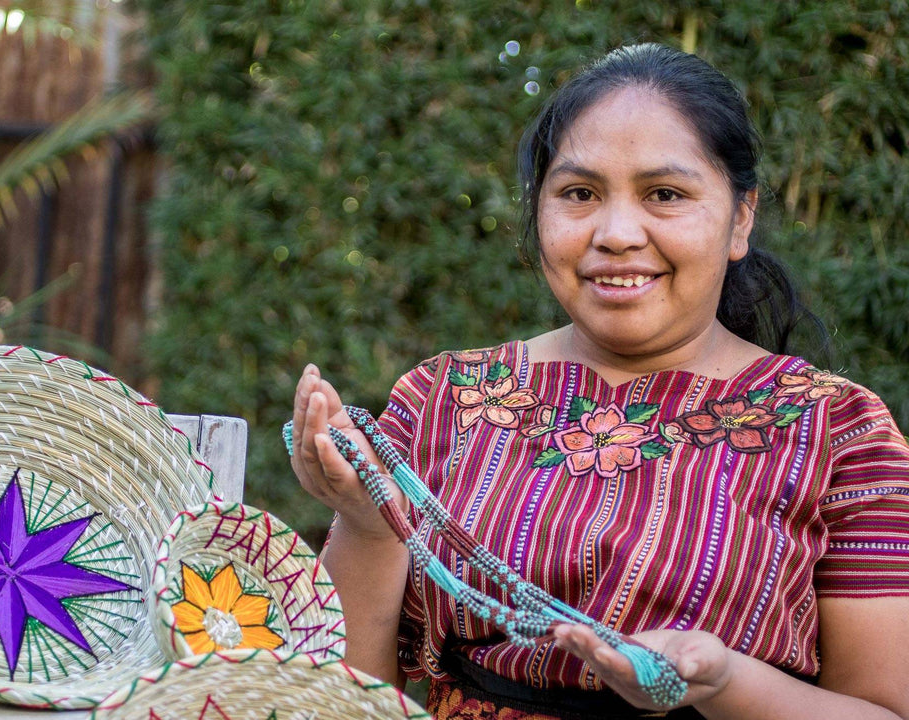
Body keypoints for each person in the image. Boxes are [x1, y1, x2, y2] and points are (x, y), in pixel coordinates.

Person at [289, 43, 909, 720]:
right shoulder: (444, 401)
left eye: (664, 194)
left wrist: (727, 683)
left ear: (741, 218)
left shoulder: (839, 432)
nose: (616, 233)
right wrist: (366, 526)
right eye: (579, 194)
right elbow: (341, 700)